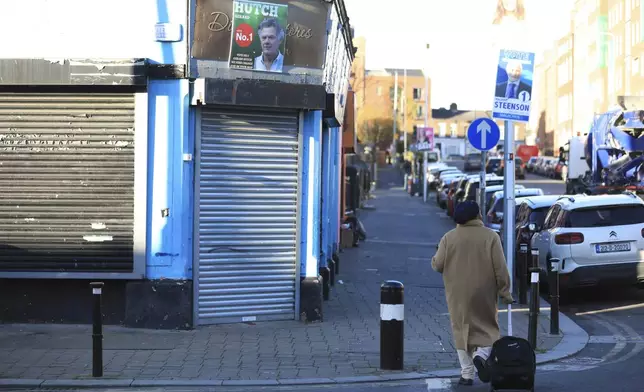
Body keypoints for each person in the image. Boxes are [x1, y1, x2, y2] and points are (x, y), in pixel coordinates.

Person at [431, 201, 513, 386]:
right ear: (478, 216)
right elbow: (500, 268)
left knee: (460, 329)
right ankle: (481, 355)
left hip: (457, 293)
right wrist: (505, 291)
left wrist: (435, 257)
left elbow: (438, 265)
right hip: (484, 291)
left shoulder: (448, 237)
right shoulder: (491, 237)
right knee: (487, 326)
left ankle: (467, 374)